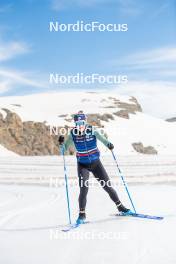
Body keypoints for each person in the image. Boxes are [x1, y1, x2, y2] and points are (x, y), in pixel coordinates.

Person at [58, 111, 130, 224]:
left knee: (107, 186)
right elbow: (63, 150)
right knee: (84, 189)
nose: (80, 125)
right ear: (75, 124)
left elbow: (102, 139)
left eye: (82, 122)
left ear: (85, 122)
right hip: (83, 165)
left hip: (96, 163)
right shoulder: (73, 134)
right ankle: (81, 215)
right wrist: (61, 144)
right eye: (77, 123)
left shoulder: (91, 130)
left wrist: (109, 144)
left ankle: (120, 207)